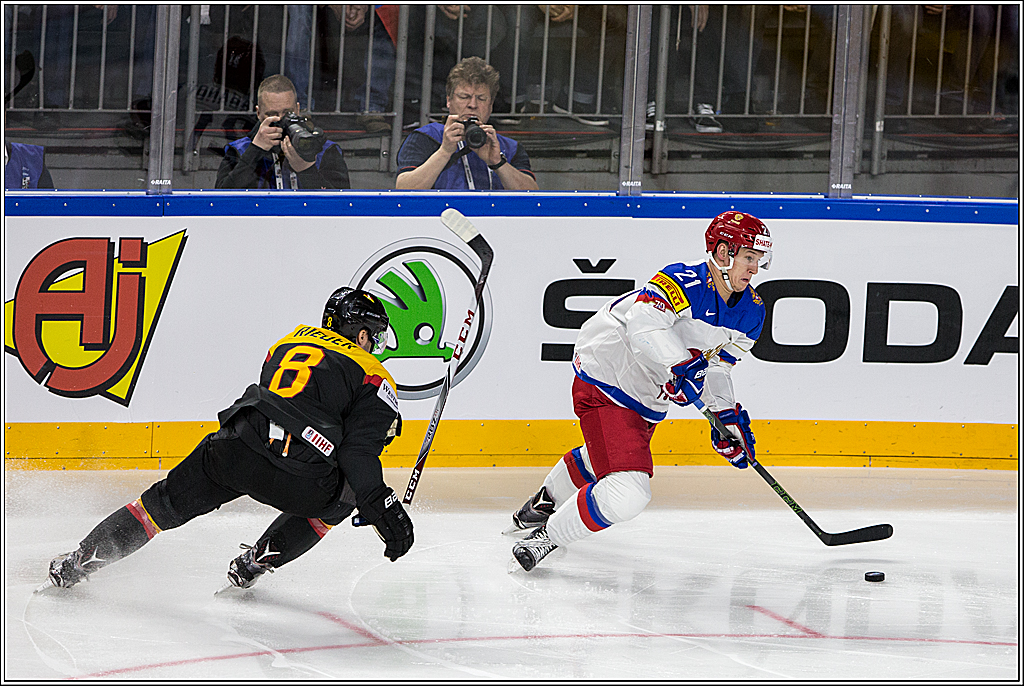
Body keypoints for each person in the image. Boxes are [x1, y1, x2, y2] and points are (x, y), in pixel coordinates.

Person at [44, 288, 413, 592]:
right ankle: (254, 563)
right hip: (299, 481)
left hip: (235, 449)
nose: (375, 346)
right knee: (345, 495)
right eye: (374, 337)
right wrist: (383, 507)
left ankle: (77, 563)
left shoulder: (288, 342)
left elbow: (293, 404)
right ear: (361, 334)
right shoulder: (373, 374)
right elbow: (357, 455)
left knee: (158, 505)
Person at [507, 212, 773, 572]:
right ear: (723, 253)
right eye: (749, 258)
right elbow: (643, 326)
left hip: (648, 390)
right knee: (628, 492)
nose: (754, 269)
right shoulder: (682, 278)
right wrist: (679, 365)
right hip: (609, 370)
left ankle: (542, 504)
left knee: (609, 454)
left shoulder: (752, 313)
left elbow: (718, 368)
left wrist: (726, 418)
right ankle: (548, 538)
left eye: (758, 260)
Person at [395, 56, 538, 191]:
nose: (473, 105)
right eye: (464, 97)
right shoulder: (425, 137)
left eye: (481, 98)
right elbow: (403, 191)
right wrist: (444, 152)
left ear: (491, 105)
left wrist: (498, 162)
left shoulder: (509, 147)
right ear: (449, 100)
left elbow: (534, 200)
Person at [216, 74, 351, 189]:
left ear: (297, 110)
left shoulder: (324, 149)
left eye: (288, 113)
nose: (281, 120)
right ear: (258, 113)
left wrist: (306, 170)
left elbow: (341, 207)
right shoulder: (239, 150)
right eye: (272, 115)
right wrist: (254, 151)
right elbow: (220, 203)